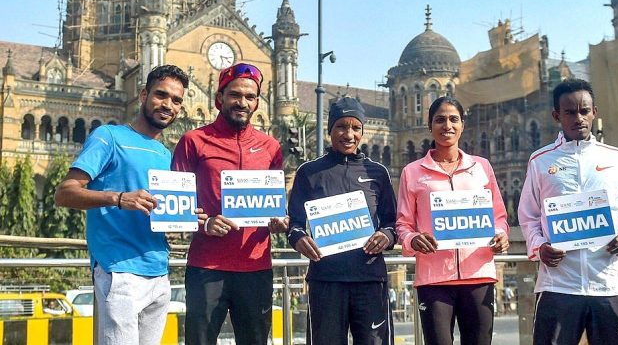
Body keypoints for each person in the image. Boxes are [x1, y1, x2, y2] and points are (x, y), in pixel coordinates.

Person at [55, 65, 200, 344]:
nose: (168, 105)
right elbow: (65, 193)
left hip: (159, 271)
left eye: (176, 100)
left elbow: (159, 211)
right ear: (143, 94)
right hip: (119, 269)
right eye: (161, 95)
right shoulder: (108, 137)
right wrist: (119, 198)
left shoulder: (164, 153)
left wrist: (189, 216)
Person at [518, 78, 618, 345]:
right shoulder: (540, 161)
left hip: (609, 282)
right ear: (557, 115)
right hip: (559, 283)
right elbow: (529, 215)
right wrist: (540, 246)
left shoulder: (616, 158)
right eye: (570, 112)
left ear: (594, 112)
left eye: (584, 111)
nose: (579, 118)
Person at [171, 62, 287, 345]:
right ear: (219, 98)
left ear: (257, 103)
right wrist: (206, 222)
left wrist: (281, 221)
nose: (242, 102)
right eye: (235, 95)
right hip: (206, 267)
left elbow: (277, 206)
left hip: (256, 267)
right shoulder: (193, 141)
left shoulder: (271, 148)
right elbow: (175, 205)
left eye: (249, 97)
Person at [396, 96, 510, 345]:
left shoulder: (481, 167)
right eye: (440, 120)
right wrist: (413, 239)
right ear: (430, 126)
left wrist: (501, 234)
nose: (447, 125)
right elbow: (403, 225)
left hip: (478, 274)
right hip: (434, 279)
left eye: (453, 119)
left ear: (462, 125)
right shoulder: (413, 172)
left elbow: (498, 216)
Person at [287, 96, 397, 345]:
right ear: (330, 130)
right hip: (326, 281)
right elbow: (294, 224)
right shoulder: (309, 172)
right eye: (341, 126)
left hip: (369, 281)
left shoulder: (377, 173)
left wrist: (386, 236)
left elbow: (393, 223)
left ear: (362, 131)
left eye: (355, 127)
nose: (349, 134)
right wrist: (300, 238)